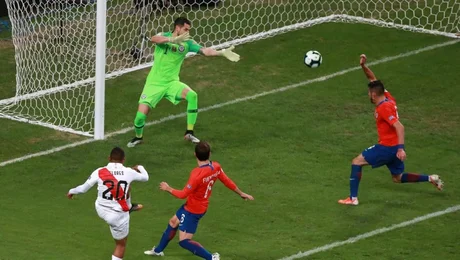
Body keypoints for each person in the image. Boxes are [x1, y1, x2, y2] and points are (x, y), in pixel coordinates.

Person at [338, 54, 444, 206]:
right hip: (394, 147)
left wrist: (400, 149)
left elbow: (400, 126)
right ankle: (430, 178)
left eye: (369, 93)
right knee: (397, 177)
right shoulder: (388, 98)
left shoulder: (383, 108)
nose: (368, 95)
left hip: (388, 147)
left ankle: (353, 198)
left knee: (356, 162)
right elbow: (372, 80)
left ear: (374, 95)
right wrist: (363, 66)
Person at [128, 17, 240, 147]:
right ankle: (138, 137)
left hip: (172, 83)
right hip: (153, 84)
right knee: (140, 117)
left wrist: (221, 53)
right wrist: (172, 40)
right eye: (186, 29)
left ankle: (189, 132)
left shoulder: (188, 43)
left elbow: (205, 51)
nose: (188, 32)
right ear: (177, 28)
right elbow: (154, 39)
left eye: (189, 30)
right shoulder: (164, 36)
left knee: (192, 95)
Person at [143, 141, 254, 259]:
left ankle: (211, 257)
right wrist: (241, 193)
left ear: (195, 154)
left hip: (193, 209)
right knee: (173, 222)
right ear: (210, 154)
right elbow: (227, 181)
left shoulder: (197, 175)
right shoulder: (215, 167)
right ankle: (158, 250)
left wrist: (168, 188)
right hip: (196, 205)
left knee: (184, 241)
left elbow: (182, 194)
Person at [67, 147, 150, 260]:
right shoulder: (129, 171)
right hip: (118, 215)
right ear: (123, 159)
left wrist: (71, 191)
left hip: (101, 209)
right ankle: (128, 208)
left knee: (127, 188)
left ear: (109, 158)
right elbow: (146, 177)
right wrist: (139, 167)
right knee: (121, 244)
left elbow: (82, 189)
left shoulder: (99, 171)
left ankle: (129, 206)